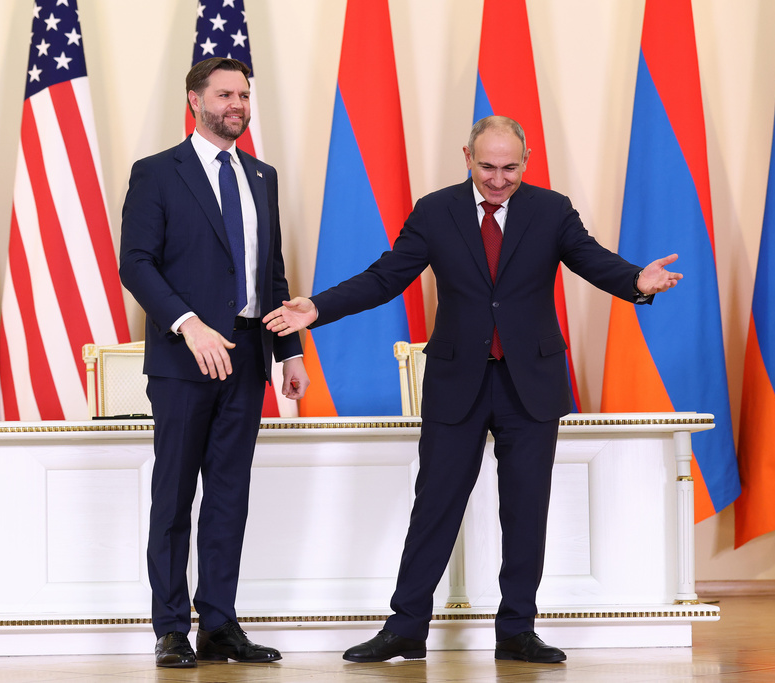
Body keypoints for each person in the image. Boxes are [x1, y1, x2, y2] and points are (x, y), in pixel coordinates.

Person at [263, 115, 682, 664]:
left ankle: (516, 631)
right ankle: (407, 627)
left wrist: (634, 282)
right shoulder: (436, 210)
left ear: (526, 161)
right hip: (457, 380)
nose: (499, 178)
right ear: (467, 156)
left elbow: (591, 259)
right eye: (488, 166)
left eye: (510, 167)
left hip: (529, 382)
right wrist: (318, 308)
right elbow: (387, 275)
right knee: (435, 505)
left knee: (526, 510)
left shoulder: (550, 210)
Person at [119, 57, 309, 669]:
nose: (239, 104)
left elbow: (270, 270)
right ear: (195, 100)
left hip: (249, 359)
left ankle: (220, 625)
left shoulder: (263, 175)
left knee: (230, 495)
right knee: (174, 495)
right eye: (226, 94)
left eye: (245, 95)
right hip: (183, 360)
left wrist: (289, 350)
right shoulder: (157, 174)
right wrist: (187, 322)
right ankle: (172, 627)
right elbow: (137, 263)